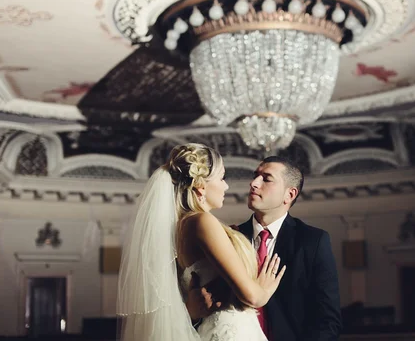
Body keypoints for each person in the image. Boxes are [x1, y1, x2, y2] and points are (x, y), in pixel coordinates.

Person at [116, 143, 286, 340]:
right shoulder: (201, 221)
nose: (226, 185)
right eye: (222, 178)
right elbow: (252, 296)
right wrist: (264, 290)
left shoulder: (179, 227)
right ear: (201, 185)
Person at [189, 156, 342, 340]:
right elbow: (207, 306)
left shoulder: (312, 241)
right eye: (255, 176)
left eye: (266, 179)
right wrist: (194, 313)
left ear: (290, 194)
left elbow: (327, 320)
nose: (254, 183)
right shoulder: (227, 238)